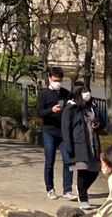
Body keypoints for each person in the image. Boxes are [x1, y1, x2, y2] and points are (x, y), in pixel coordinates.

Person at [63, 82, 104, 210]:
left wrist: (98, 124)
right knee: (83, 169)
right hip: (79, 144)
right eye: (84, 91)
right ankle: (83, 198)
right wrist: (69, 147)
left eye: (88, 90)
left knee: (95, 171)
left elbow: (102, 121)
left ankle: (82, 188)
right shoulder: (71, 108)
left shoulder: (93, 106)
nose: (87, 94)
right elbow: (66, 128)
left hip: (93, 143)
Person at [37, 66, 75, 201]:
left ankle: (68, 189)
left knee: (68, 161)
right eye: (55, 80)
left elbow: (72, 109)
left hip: (63, 132)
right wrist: (51, 110)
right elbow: (39, 112)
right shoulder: (43, 94)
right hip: (49, 131)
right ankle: (50, 188)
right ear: (49, 78)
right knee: (49, 161)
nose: (57, 83)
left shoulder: (65, 93)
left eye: (59, 80)